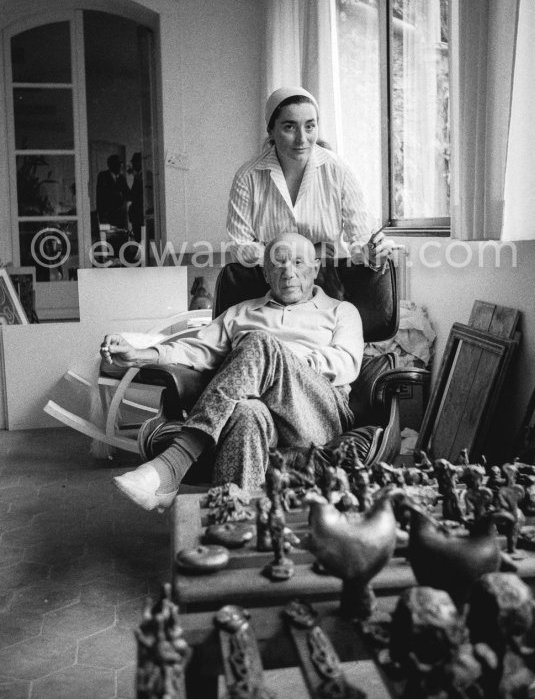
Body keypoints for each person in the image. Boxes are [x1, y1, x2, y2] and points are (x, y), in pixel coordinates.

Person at [100, 232, 364, 510]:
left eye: (299, 263)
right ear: (265, 273)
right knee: (246, 412)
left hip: (318, 415)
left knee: (259, 343)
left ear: (316, 267)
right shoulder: (239, 313)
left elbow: (346, 362)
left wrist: (280, 362)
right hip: (262, 415)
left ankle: (173, 463)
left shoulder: (341, 311)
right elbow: (196, 350)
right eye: (279, 264)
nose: (289, 272)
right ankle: (235, 517)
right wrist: (140, 355)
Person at [226, 86, 393, 267]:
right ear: (271, 130)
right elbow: (239, 248)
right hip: (270, 281)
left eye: (310, 126)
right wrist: (306, 251)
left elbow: (361, 239)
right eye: (289, 127)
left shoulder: (339, 171)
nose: (302, 139)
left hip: (330, 280)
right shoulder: (247, 177)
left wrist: (372, 253)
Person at [96, 154, 130, 229]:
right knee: (108, 238)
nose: (121, 166)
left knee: (122, 237)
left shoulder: (122, 178)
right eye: (118, 163)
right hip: (107, 216)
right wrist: (101, 216)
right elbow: (100, 196)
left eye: (121, 164)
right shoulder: (103, 176)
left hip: (120, 216)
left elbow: (128, 195)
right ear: (110, 165)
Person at [127, 152, 144, 238]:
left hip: (140, 216)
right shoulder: (138, 176)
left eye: (134, 162)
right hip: (136, 216)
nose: (133, 165)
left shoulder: (143, 175)